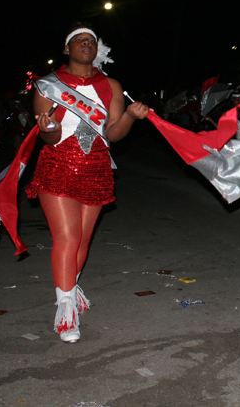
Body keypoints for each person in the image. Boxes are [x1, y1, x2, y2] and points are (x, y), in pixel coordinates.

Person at [24, 24, 149, 342]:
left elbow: (113, 134)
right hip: (58, 162)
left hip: (96, 164)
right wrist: (48, 127)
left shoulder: (110, 85)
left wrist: (131, 118)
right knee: (66, 237)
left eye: (91, 40)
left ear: (97, 50)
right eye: (79, 40)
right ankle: (66, 311)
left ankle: (69, 285)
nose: (86, 43)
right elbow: (47, 136)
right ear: (67, 49)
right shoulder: (47, 85)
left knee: (81, 240)